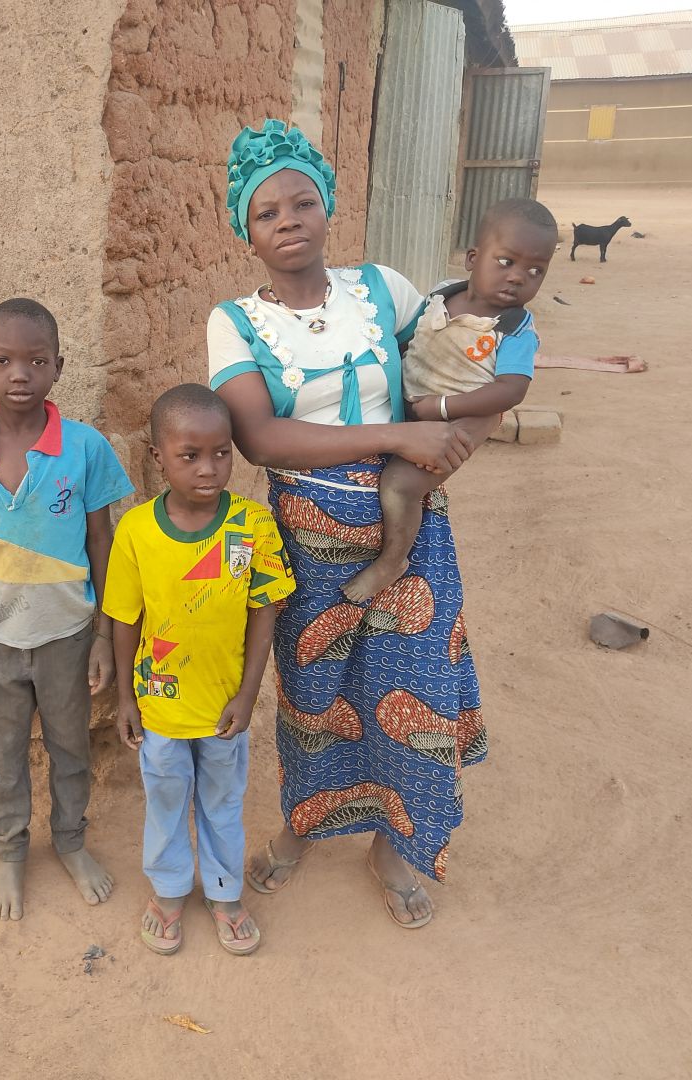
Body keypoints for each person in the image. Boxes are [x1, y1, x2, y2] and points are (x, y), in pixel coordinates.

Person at [207, 120, 491, 928]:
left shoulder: (383, 291)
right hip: (307, 534)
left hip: (411, 525)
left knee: (413, 682)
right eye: (267, 212)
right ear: (247, 233)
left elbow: (452, 367)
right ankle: (303, 826)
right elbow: (261, 438)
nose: (288, 220)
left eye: (302, 201)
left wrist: (450, 442)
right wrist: (396, 434)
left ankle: (394, 846)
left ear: (328, 207)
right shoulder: (233, 321)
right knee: (314, 694)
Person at [0, 298, 134, 922]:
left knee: (70, 747)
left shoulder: (86, 448)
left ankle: (70, 841)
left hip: (67, 635)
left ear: (58, 368)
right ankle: (10, 850)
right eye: (3, 361)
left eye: (36, 361)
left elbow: (101, 541)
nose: (19, 373)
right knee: (2, 754)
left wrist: (102, 633)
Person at [104, 384, 295, 956]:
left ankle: (223, 891)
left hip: (222, 704)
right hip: (160, 703)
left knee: (222, 800)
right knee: (165, 799)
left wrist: (248, 692)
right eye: (189, 456)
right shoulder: (136, 530)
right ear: (157, 456)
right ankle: (168, 889)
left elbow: (265, 609)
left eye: (220, 453)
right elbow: (124, 618)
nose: (208, 468)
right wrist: (125, 698)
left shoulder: (253, 525)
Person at [341, 198, 558, 602]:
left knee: (400, 484)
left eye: (535, 270)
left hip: (462, 417)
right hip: (415, 408)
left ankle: (392, 561)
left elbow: (512, 389)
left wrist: (440, 408)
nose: (518, 277)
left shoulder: (512, 329)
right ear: (473, 258)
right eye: (506, 261)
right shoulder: (441, 295)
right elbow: (414, 341)